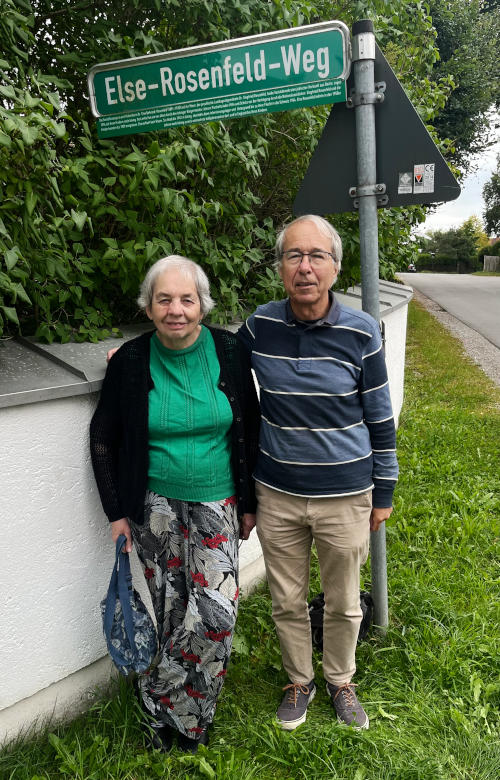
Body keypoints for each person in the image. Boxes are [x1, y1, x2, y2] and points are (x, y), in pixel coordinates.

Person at [90, 255, 259, 753]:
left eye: (187, 299)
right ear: (149, 305)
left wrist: (250, 503)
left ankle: (158, 696)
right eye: (164, 299)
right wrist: (116, 512)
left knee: (214, 616)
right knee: (170, 610)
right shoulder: (130, 362)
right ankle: (187, 724)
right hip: (156, 504)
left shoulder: (230, 351)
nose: (176, 310)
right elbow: (102, 437)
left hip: (217, 500)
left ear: (203, 305)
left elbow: (249, 426)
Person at [238, 215, 398, 731]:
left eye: (316, 256)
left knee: (345, 601)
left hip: (346, 493)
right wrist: (136, 355)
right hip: (278, 493)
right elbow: (213, 364)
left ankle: (341, 679)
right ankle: (298, 680)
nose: (304, 267)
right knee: (285, 598)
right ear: (281, 266)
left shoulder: (362, 331)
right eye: (293, 256)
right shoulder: (260, 326)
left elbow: (379, 414)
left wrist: (385, 489)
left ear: (334, 266)